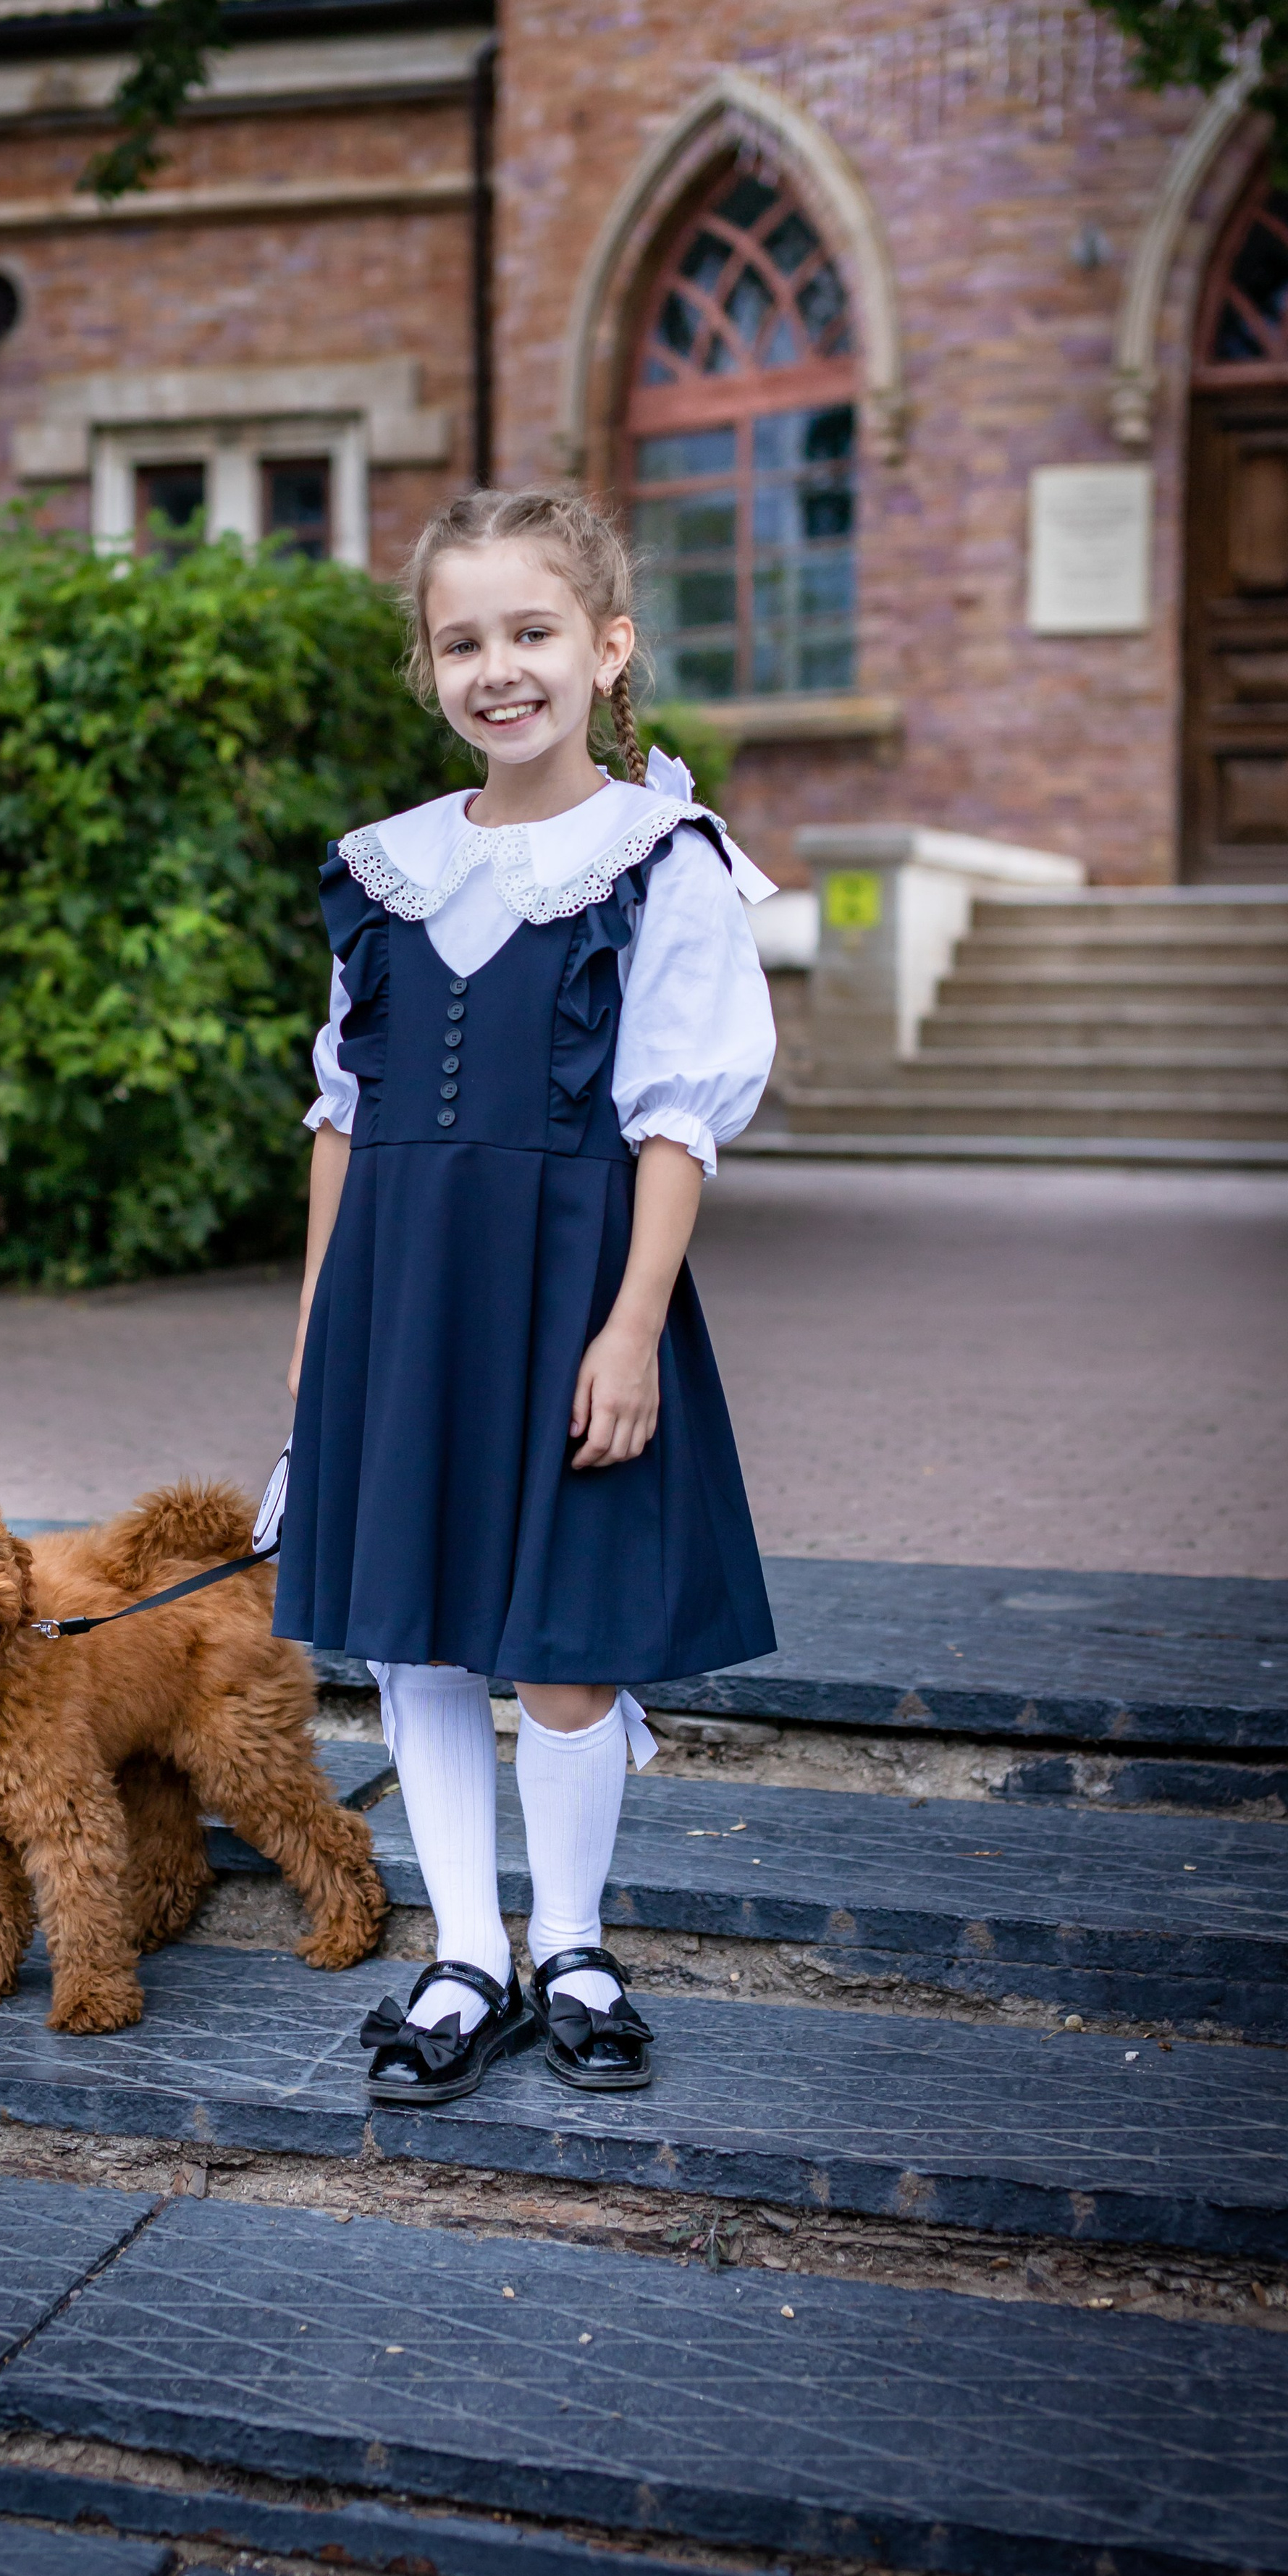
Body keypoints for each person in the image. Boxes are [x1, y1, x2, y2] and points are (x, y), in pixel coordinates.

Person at [274, 487, 778, 2106]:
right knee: (415, 1632)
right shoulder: (387, 869)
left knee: (567, 1644)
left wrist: (630, 1328)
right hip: (399, 1299)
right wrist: (317, 1347)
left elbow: (676, 1120)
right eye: (462, 641)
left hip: (574, 1298)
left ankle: (570, 1942)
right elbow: (341, 1120)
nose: (498, 669)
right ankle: (467, 1953)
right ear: (428, 669)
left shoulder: (662, 860)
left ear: (607, 648)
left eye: (533, 632)